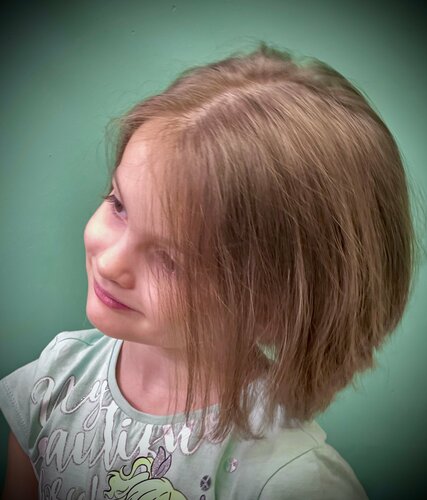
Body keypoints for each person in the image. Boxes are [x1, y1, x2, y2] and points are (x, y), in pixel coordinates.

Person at [0, 41, 421, 500]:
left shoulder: (288, 481)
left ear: (272, 307)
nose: (110, 262)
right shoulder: (56, 381)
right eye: (119, 205)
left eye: (170, 260)